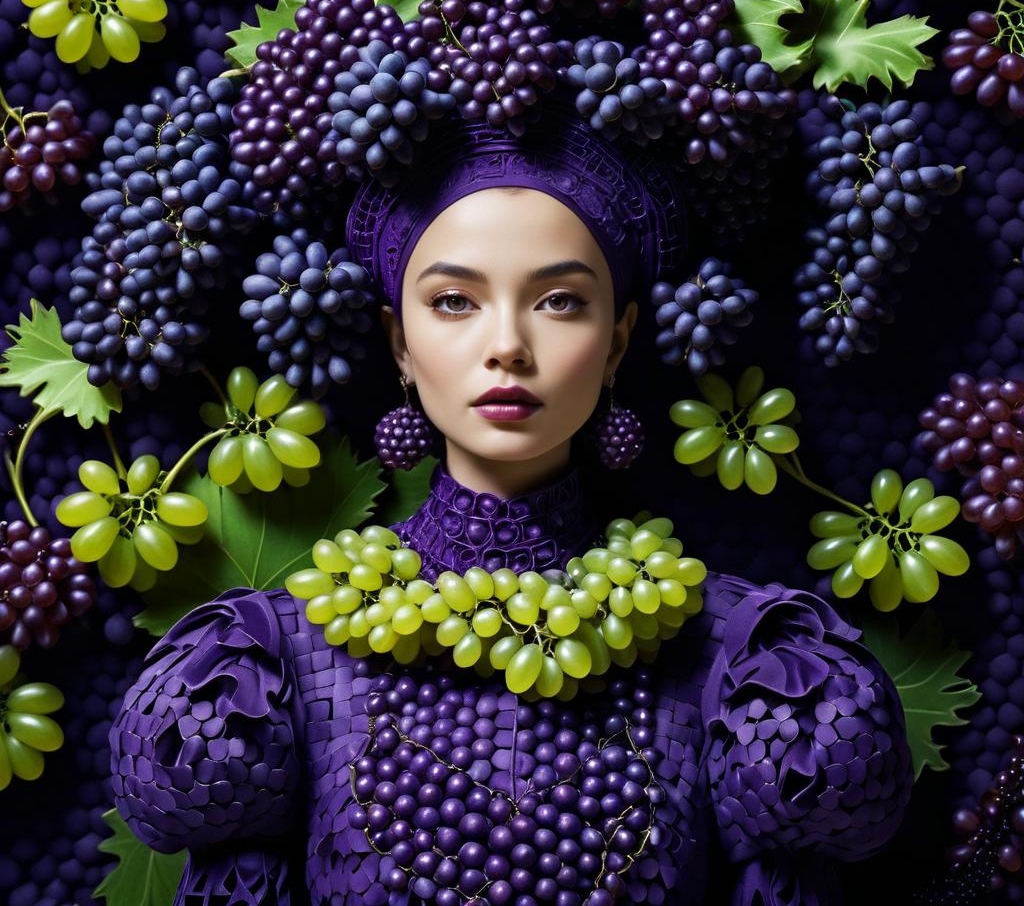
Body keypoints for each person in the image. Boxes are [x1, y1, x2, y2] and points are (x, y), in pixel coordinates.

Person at [109, 107, 913, 906]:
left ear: (619, 343)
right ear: (399, 343)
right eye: (455, 301)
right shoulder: (269, 668)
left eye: (559, 300)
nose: (508, 346)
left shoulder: (740, 664)